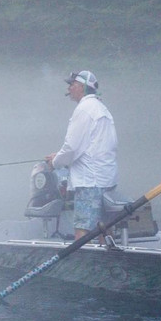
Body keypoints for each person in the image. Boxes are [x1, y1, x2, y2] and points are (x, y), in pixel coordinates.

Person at [45, 70, 118, 241]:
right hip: (106, 179)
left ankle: (82, 263)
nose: (69, 88)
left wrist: (54, 162)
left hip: (89, 182)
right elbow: (90, 146)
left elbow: (71, 148)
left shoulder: (84, 109)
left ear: (82, 86)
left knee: (82, 228)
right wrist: (59, 156)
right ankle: (108, 264)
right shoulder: (101, 107)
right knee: (104, 228)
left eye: (71, 84)